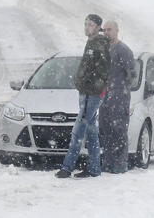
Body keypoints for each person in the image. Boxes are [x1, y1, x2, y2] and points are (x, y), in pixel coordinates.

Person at [55, 14, 110, 179]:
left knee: (78, 131)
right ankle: (94, 168)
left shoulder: (100, 44)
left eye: (90, 24)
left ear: (98, 27)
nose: (87, 27)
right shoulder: (91, 42)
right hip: (86, 92)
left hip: (92, 94)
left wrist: (93, 87)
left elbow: (103, 72)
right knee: (91, 131)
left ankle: (67, 167)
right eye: (85, 24)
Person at [99, 20, 135, 174]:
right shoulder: (103, 49)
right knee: (105, 131)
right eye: (105, 30)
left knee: (119, 131)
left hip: (119, 98)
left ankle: (120, 164)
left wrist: (121, 91)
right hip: (104, 98)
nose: (107, 32)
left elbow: (131, 76)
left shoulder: (124, 50)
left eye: (110, 29)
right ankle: (107, 163)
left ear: (117, 31)